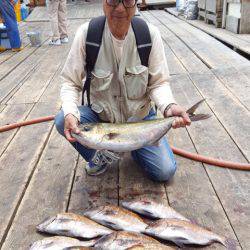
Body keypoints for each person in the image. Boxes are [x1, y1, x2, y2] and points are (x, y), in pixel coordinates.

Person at [55, 0, 191, 182]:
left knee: (165, 172)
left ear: (136, 4)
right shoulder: (87, 35)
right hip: (101, 119)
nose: (119, 8)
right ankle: (98, 158)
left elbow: (158, 83)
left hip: (141, 120)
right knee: (63, 118)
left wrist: (168, 107)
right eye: (113, 0)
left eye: (127, 0)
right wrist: (71, 113)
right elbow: (70, 83)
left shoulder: (149, 35)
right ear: (103, 3)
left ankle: (136, 147)